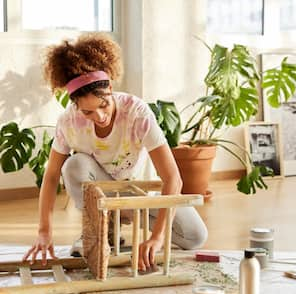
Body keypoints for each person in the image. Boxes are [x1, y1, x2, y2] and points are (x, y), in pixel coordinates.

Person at [23, 32, 208, 271]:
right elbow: (50, 177)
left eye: (103, 105)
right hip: (99, 195)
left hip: (134, 194)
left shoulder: (137, 113)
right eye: (88, 112)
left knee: (194, 237)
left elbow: (172, 177)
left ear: (110, 88)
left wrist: (158, 236)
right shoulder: (68, 122)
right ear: (75, 105)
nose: (99, 117)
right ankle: (98, 232)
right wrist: (44, 231)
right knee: (74, 165)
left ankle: (120, 228)